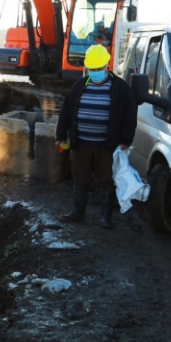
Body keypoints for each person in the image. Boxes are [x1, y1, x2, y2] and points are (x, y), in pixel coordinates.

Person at [55, 44, 137, 228]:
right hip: (81, 144)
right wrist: (60, 135)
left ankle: (105, 217)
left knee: (106, 180)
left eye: (98, 69)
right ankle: (78, 212)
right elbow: (66, 111)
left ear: (107, 66)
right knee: (80, 177)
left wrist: (125, 141)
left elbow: (130, 116)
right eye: (92, 69)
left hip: (106, 147)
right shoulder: (79, 86)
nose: (95, 72)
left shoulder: (121, 88)